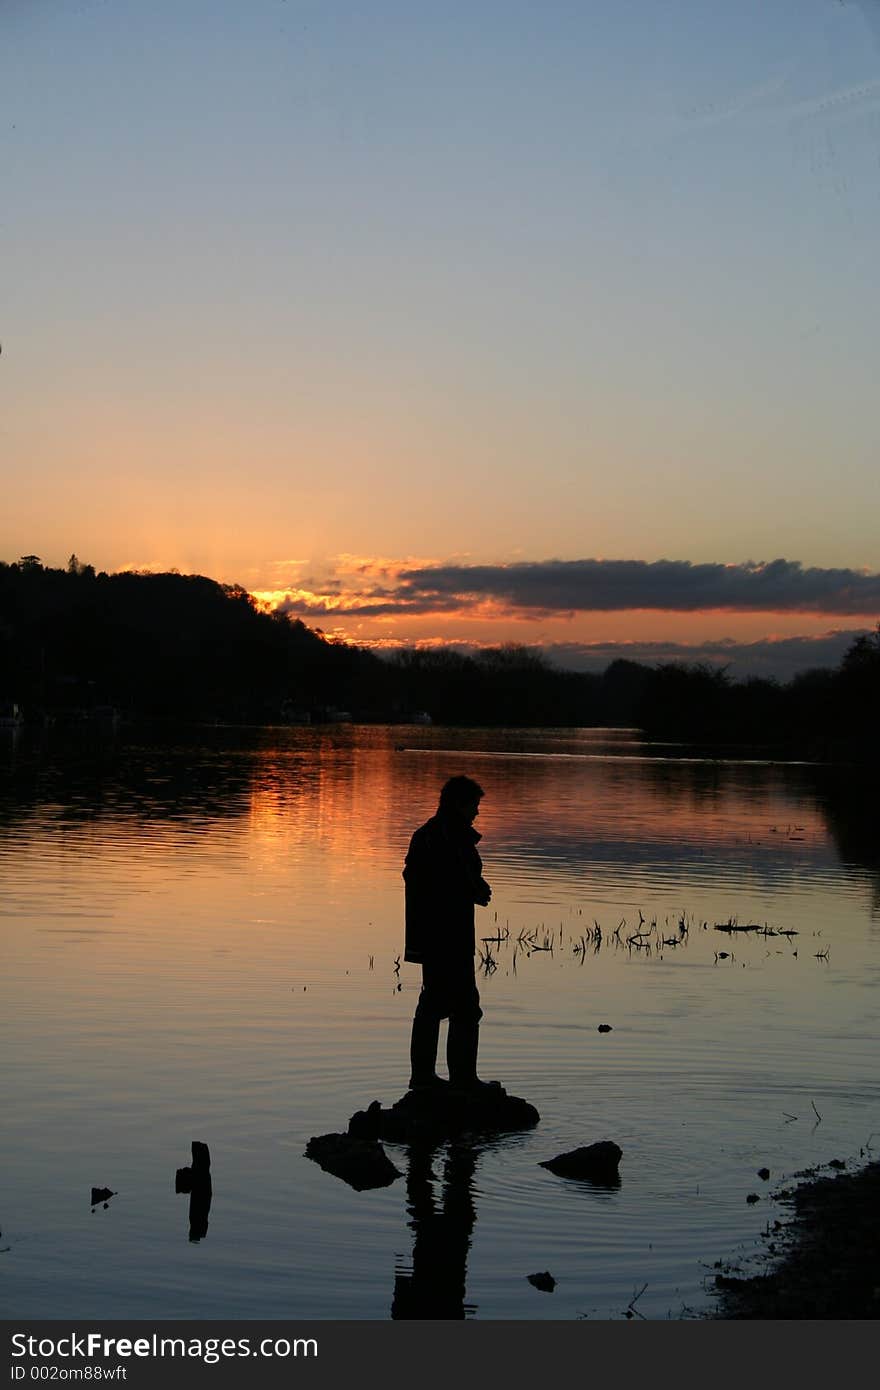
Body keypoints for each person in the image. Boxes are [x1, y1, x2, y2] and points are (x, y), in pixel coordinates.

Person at [403, 775, 496, 1092]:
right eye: (474, 806)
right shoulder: (442, 836)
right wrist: (470, 889)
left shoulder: (435, 835)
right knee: (461, 1005)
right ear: (459, 804)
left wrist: (473, 888)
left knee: (442, 1003)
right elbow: (435, 880)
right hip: (445, 936)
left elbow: (450, 877)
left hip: (441, 935)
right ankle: (456, 1080)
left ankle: (436, 1079)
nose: (477, 813)